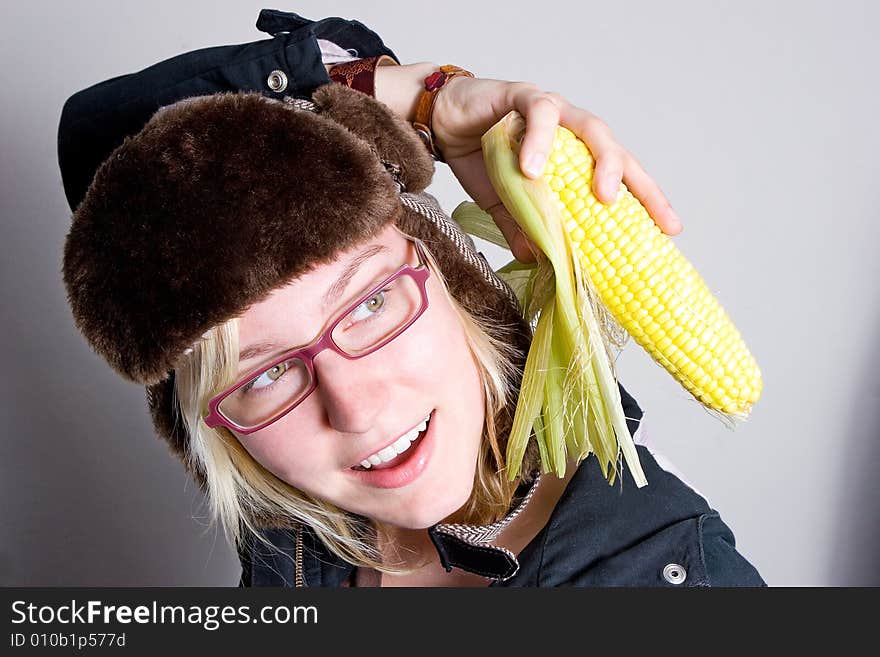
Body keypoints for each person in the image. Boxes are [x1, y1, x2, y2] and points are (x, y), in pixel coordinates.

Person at [59, 9, 765, 587]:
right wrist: (418, 97)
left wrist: (413, 98)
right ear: (215, 431)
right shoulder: (297, 543)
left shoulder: (670, 581)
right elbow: (98, 134)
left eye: (369, 302)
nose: (357, 410)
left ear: (457, 283)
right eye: (266, 372)